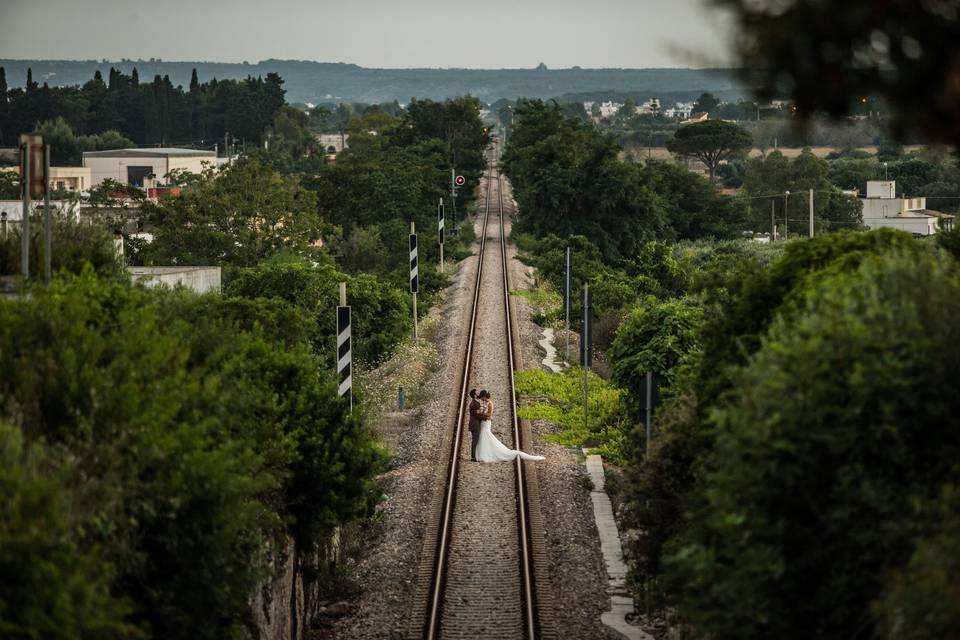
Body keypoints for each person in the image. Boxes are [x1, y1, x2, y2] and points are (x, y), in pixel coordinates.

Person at [475, 390, 545, 463]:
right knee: (483, 436)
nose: (482, 399)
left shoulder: (490, 404)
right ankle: (483, 453)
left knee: (485, 435)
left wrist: (481, 413)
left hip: (486, 423)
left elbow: (490, 414)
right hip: (484, 422)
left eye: (482, 397)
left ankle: (485, 454)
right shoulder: (485, 403)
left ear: (485, 396)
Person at [468, 388, 483, 462]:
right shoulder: (475, 404)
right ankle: (473, 457)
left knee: (475, 440)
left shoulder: (474, 403)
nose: (478, 392)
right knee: (475, 441)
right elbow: (477, 415)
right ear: (474, 395)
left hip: (474, 424)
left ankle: (474, 456)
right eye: (477, 392)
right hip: (475, 424)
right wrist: (485, 417)